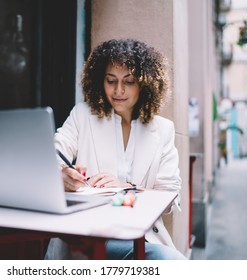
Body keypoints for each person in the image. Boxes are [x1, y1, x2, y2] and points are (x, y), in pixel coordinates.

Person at [45, 38, 186, 260]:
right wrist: (61, 174)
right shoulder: (83, 115)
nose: (118, 90)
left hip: (141, 237)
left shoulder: (163, 129)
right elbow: (51, 153)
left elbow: (169, 197)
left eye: (129, 82)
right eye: (111, 81)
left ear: (144, 83)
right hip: (88, 235)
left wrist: (128, 188)